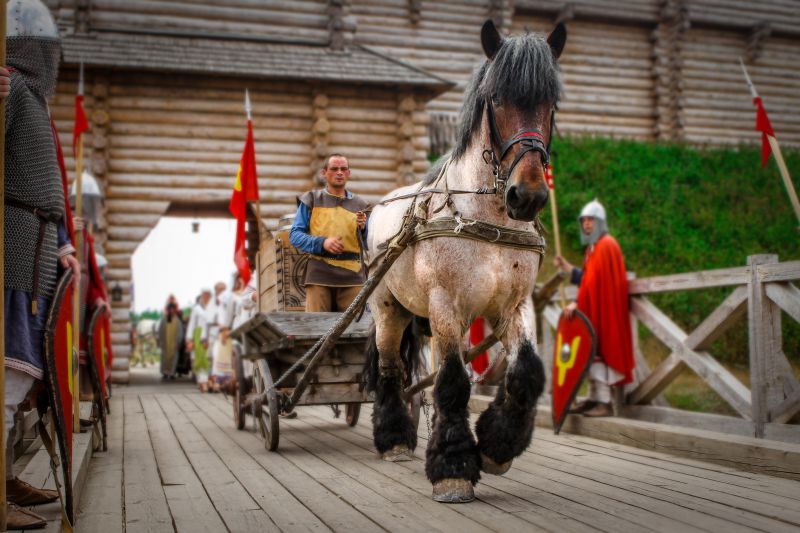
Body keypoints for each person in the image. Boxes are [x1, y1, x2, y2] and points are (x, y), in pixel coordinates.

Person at [2, 1, 82, 528]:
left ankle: (5, 478)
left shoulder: (27, 94)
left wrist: (57, 242)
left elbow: (44, 188)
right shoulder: (10, 88)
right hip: (13, 250)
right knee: (8, 374)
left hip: (34, 247)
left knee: (19, 374)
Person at [554, 199, 635, 417]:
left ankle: (604, 403)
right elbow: (587, 279)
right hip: (594, 309)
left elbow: (594, 285)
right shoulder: (594, 248)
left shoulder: (606, 246)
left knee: (598, 351)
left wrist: (578, 303)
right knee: (590, 352)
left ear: (600, 222)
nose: (587, 224)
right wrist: (567, 267)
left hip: (604, 311)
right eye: (584, 221)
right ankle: (592, 398)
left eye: (591, 220)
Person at [289, 154, 368, 312]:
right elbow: (295, 235)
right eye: (334, 169)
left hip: (353, 278)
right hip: (319, 275)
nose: (339, 172)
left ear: (348, 173)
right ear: (324, 173)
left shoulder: (361, 205)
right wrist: (322, 243)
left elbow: (369, 244)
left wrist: (363, 229)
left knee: (356, 333)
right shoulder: (311, 199)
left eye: (343, 169)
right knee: (316, 331)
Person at [186, 289, 212, 391]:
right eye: (204, 296)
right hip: (199, 336)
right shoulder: (196, 309)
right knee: (201, 360)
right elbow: (192, 324)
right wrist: (189, 339)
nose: (206, 298)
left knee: (208, 360)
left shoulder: (212, 308)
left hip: (211, 336)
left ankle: (205, 381)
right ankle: (203, 382)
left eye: (208, 296)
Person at [158, 295, 184, 379]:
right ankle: (165, 372)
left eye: (173, 309)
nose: (172, 311)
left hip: (174, 343)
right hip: (165, 343)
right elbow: (161, 331)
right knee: (164, 358)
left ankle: (172, 373)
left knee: (174, 358)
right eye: (170, 309)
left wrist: (178, 342)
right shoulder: (164, 320)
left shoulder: (177, 321)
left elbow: (180, 332)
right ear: (168, 310)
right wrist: (161, 341)